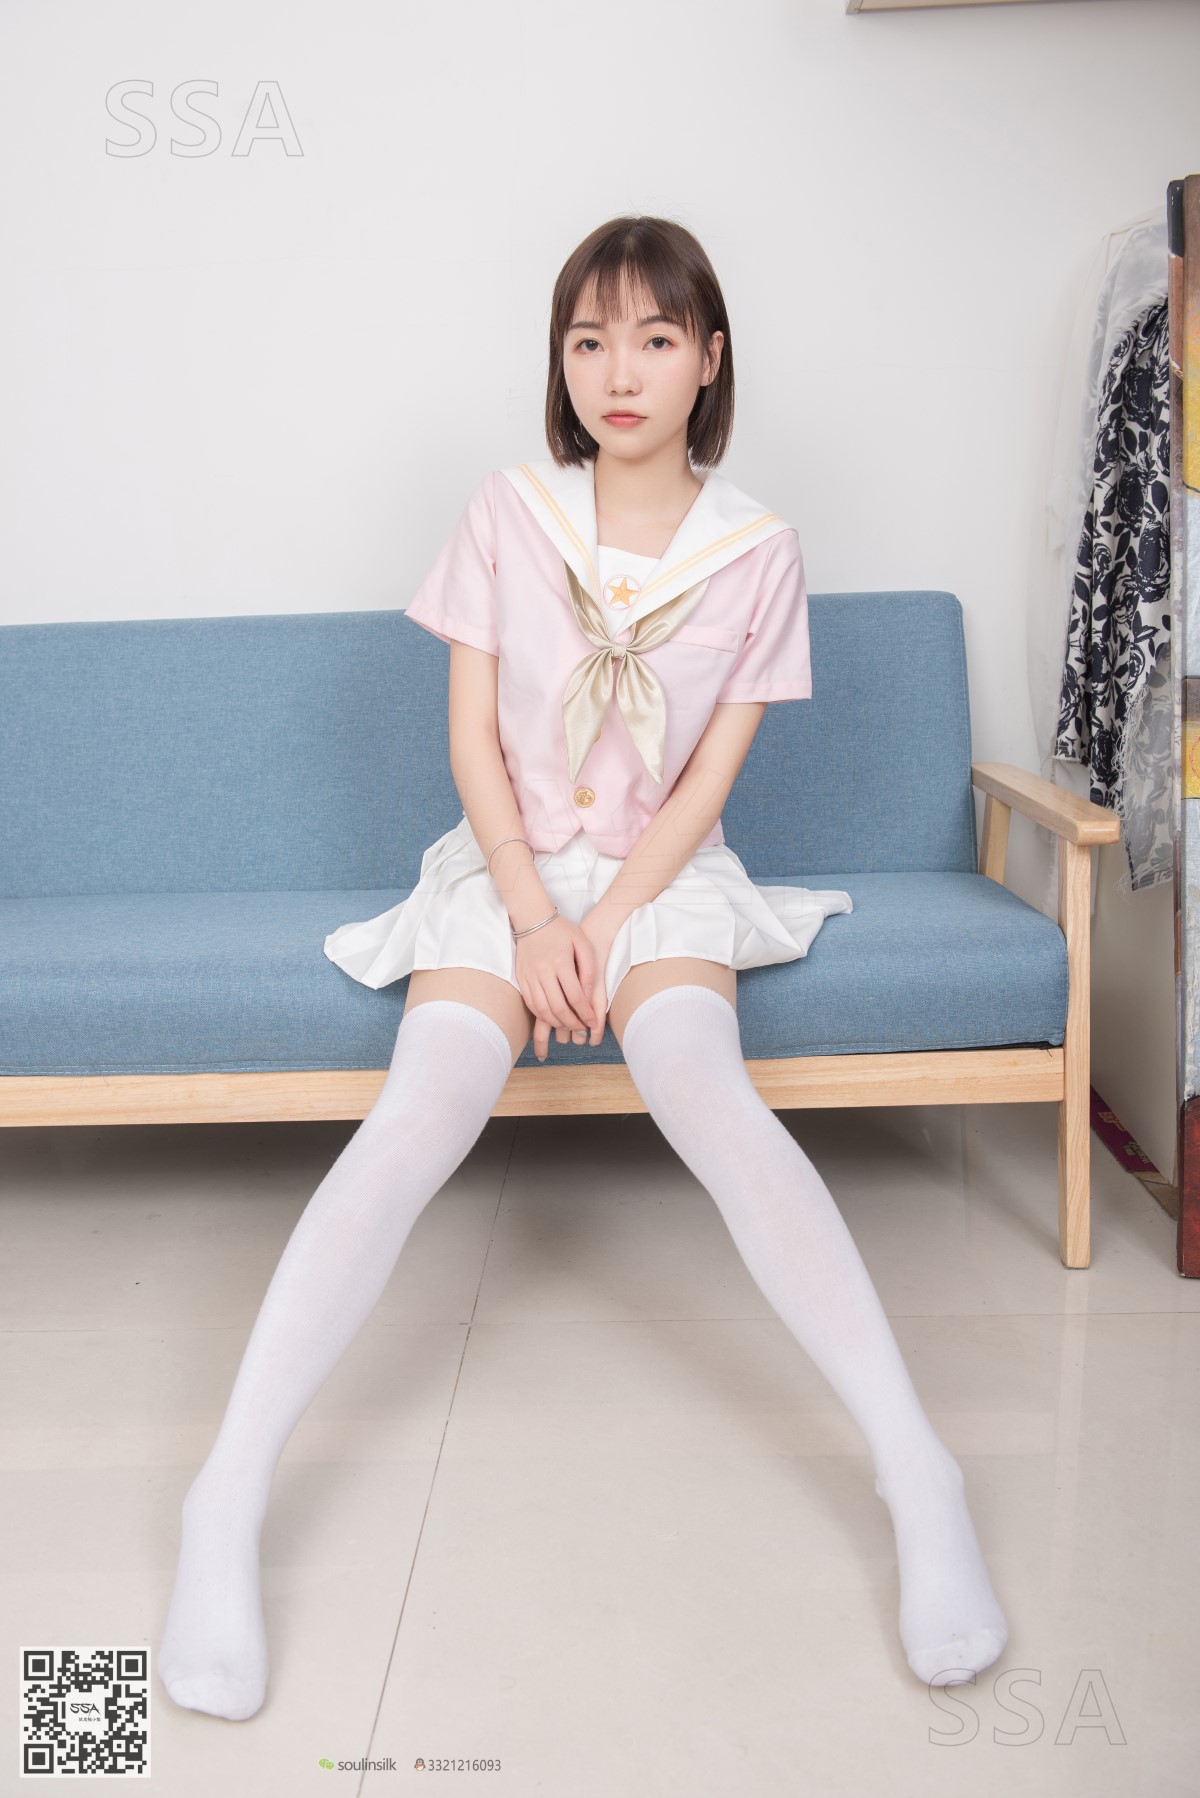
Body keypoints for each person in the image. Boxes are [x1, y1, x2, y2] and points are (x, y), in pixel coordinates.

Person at [157, 215, 1008, 1721]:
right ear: (561, 360)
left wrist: (604, 927)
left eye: (657, 339)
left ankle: (917, 1472)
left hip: (663, 880)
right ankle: (224, 1495)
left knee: (710, 1097)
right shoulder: (508, 513)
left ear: (710, 359)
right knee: (418, 1115)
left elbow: (706, 783)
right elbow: (469, 738)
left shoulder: (759, 550)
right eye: (591, 339)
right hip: (500, 867)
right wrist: (531, 913)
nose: (621, 371)